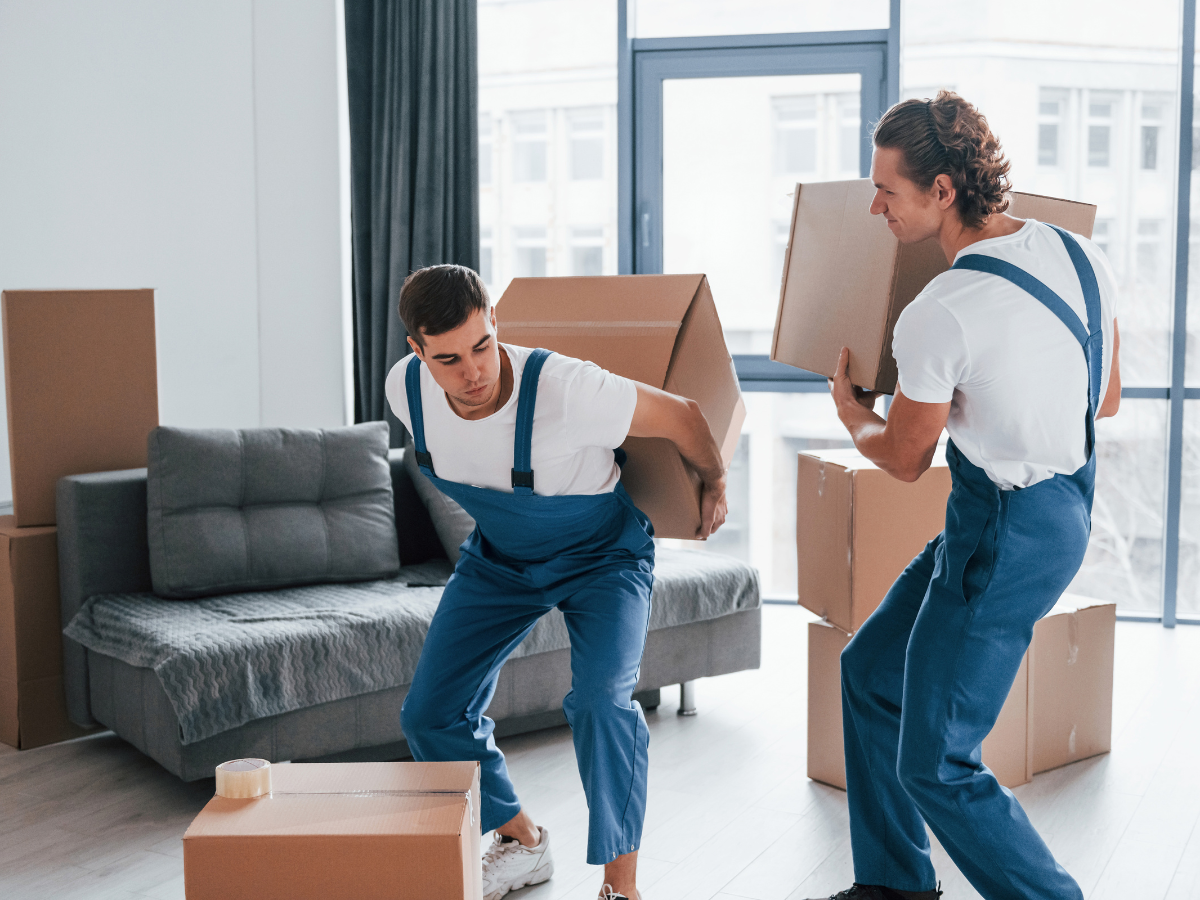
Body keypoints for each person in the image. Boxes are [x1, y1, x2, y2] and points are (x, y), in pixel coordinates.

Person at [808, 91, 1121, 900]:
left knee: (937, 763)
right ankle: (893, 884)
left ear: (943, 190)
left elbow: (906, 459)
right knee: (870, 673)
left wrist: (852, 416)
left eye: (888, 191)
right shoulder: (1076, 253)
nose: (874, 206)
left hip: (1000, 530)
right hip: (1063, 507)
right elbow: (1106, 396)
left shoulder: (939, 311)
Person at [384, 264, 729, 900]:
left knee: (602, 702)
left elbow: (683, 416)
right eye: (450, 358)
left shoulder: (566, 389)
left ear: (496, 326)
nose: (474, 372)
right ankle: (522, 839)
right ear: (417, 352)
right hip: (502, 559)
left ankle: (620, 889)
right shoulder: (405, 391)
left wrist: (716, 480)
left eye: (483, 345)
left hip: (604, 556)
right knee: (429, 715)